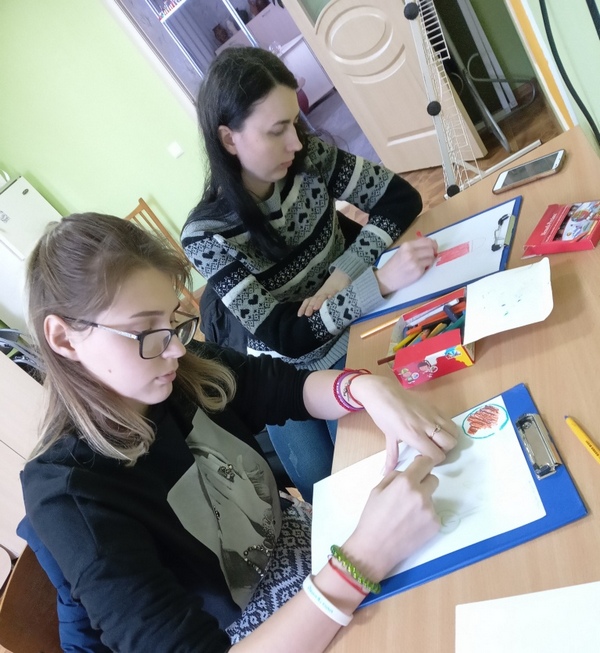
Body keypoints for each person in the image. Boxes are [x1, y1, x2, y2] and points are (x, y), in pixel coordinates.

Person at [21, 213, 457, 652]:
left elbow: (285, 388)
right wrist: (360, 561)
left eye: (172, 322)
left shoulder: (180, 372)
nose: (175, 347)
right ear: (64, 338)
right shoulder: (71, 493)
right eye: (145, 331)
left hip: (322, 559)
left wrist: (365, 387)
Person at [181, 47, 438, 501]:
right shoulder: (206, 236)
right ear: (229, 139)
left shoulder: (310, 158)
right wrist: (377, 283)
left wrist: (346, 271)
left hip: (356, 331)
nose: (296, 143)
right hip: (285, 372)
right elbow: (287, 336)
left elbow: (400, 198)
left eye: (294, 124)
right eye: (277, 130)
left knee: (379, 463)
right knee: (323, 488)